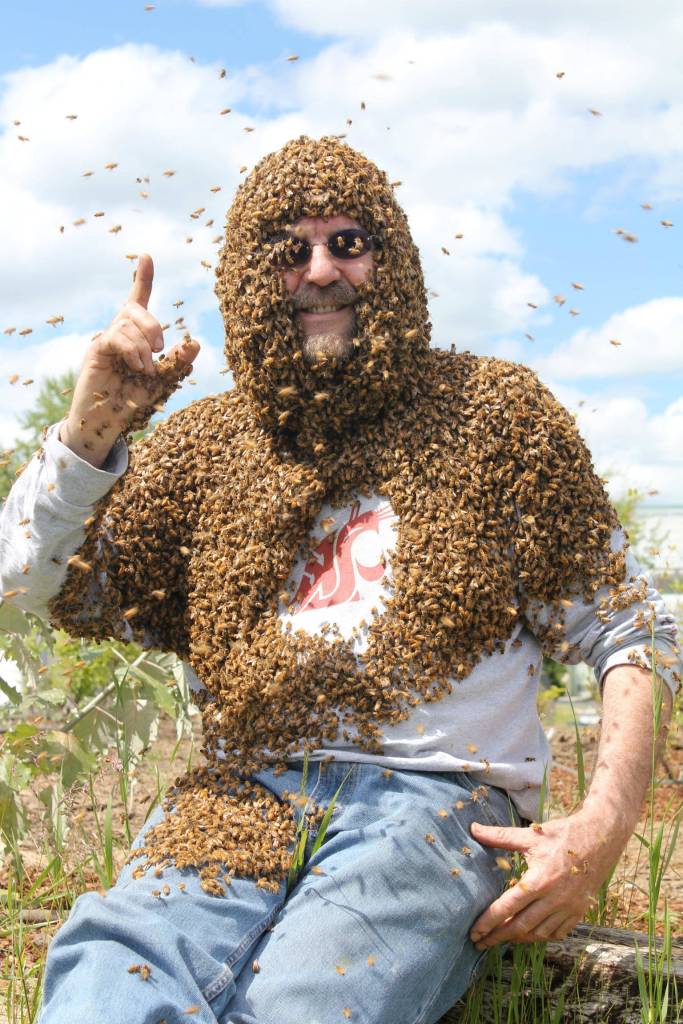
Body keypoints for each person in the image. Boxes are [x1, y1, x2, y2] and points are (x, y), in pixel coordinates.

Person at [0, 135, 679, 1024]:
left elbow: (631, 633)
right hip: (231, 793)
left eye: (347, 242)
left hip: (433, 807)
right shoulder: (203, 449)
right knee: (100, 986)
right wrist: (88, 436)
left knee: (309, 1004)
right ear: (250, 277)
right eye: (288, 249)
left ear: (390, 260)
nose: (320, 270)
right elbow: (26, 592)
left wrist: (596, 835)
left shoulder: (494, 415)